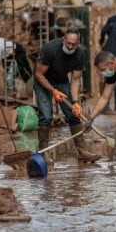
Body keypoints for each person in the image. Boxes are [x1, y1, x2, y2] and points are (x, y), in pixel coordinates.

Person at [34, 27, 101, 163]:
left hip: (61, 80)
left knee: (73, 113)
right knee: (46, 116)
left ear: (78, 44)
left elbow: (75, 80)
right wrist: (53, 91)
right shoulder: (50, 49)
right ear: (63, 39)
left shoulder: (80, 55)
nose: (70, 47)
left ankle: (82, 151)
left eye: (73, 44)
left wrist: (75, 101)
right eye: (68, 43)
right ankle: (43, 154)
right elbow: (38, 74)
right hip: (43, 81)